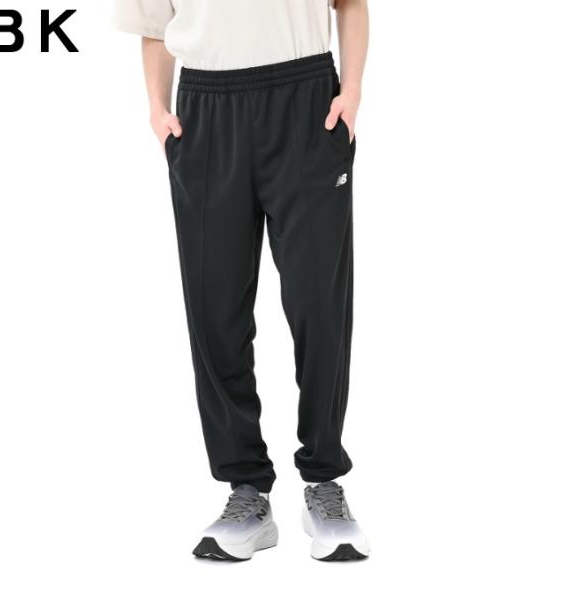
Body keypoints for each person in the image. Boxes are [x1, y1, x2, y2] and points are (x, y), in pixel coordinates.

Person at [113, 0, 370, 561]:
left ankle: (324, 479)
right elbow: (154, 26)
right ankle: (246, 489)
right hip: (206, 109)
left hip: (306, 100)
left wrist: (351, 90)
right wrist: (157, 109)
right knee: (215, 309)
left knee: (319, 302)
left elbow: (351, 3)